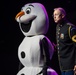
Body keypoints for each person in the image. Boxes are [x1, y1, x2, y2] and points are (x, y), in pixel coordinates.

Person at [52, 7, 76, 75]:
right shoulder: (58, 27)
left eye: (56, 14)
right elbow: (64, 44)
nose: (54, 16)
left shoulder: (70, 28)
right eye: (53, 15)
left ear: (62, 15)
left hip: (71, 66)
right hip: (62, 66)